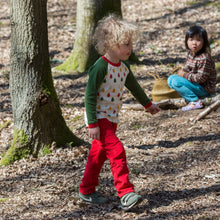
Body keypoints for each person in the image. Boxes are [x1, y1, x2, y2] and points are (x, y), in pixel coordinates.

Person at [78, 14, 160, 211]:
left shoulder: (123, 67)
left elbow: (135, 87)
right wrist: (92, 124)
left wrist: (148, 105)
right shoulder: (100, 67)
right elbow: (89, 96)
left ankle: (86, 190)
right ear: (109, 43)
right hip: (99, 117)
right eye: (125, 44)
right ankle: (126, 193)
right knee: (117, 151)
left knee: (97, 156)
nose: (129, 48)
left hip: (112, 117)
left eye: (130, 44)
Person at [167, 25, 216, 111]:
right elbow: (188, 68)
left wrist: (184, 75)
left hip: (204, 88)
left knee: (176, 81)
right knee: (171, 79)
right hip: (195, 84)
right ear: (186, 41)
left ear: (204, 42)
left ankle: (196, 101)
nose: (194, 43)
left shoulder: (204, 58)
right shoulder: (191, 53)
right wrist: (183, 72)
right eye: (191, 39)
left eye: (198, 40)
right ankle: (190, 97)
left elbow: (201, 78)